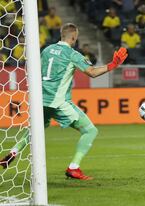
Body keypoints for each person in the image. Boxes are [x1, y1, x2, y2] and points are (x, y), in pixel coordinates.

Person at [0, 23, 128, 180]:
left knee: (38, 127)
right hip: (58, 102)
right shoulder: (72, 54)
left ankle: (14, 151)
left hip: (41, 100)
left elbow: (34, 70)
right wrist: (112, 65)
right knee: (90, 130)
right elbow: (92, 73)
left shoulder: (46, 50)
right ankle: (74, 167)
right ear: (73, 37)